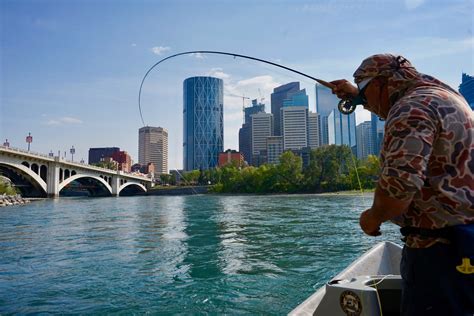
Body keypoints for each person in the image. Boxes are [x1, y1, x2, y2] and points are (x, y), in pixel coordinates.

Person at [331, 54, 474, 315]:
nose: (364, 104)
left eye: (365, 94)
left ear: (381, 83)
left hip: (439, 252)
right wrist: (358, 92)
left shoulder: (411, 109)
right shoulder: (441, 93)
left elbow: (399, 189)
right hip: (464, 241)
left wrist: (371, 218)